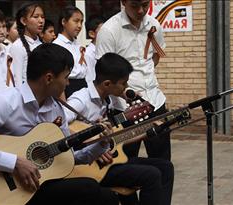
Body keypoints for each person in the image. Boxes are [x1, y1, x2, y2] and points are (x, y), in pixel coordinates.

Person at [0, 43, 118, 205]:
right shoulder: (7, 102)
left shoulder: (56, 109)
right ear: (48, 78)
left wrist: (101, 143)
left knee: (106, 196)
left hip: (41, 184)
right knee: (90, 189)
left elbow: (69, 158)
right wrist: (15, 163)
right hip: (12, 190)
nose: (67, 83)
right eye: (66, 77)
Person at [65, 53, 174, 205]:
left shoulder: (107, 101)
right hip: (87, 166)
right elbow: (58, 125)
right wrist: (92, 140)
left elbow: (116, 139)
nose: (126, 88)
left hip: (109, 161)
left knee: (165, 167)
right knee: (152, 174)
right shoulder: (80, 100)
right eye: (124, 83)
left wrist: (148, 131)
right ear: (107, 84)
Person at [96, 0, 170, 160]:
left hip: (155, 102)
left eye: (145, 4)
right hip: (125, 109)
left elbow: (156, 56)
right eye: (135, 5)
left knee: (163, 162)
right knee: (126, 163)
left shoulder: (154, 25)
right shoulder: (109, 30)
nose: (141, 10)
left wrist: (146, 75)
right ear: (123, 2)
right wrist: (127, 90)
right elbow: (105, 70)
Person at [53, 5, 88, 98]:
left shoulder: (77, 44)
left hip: (83, 85)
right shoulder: (57, 45)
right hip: (68, 87)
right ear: (64, 22)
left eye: (81, 21)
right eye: (76, 21)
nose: (79, 26)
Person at [9, 3, 44, 86]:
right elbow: (17, 79)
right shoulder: (18, 46)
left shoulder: (42, 44)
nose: (41, 21)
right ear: (23, 21)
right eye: (36, 17)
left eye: (42, 17)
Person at [84, 15, 104, 84]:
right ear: (92, 34)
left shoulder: (106, 49)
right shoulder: (88, 54)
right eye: (103, 30)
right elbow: (90, 79)